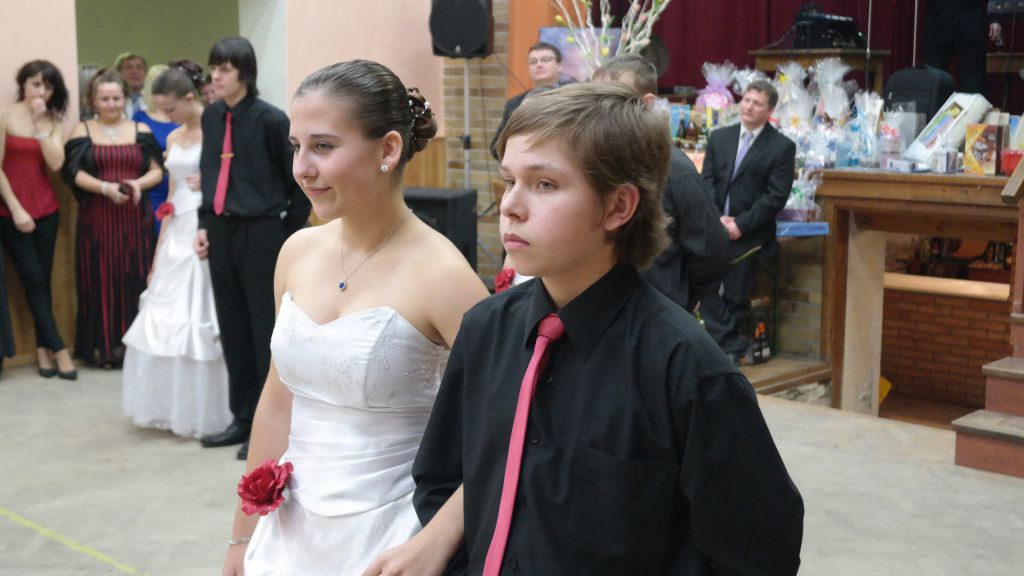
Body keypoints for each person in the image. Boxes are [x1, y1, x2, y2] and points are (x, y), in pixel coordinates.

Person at [411, 83, 804, 575]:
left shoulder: (686, 369)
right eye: (509, 180)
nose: (510, 205)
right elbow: (441, 477)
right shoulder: (486, 330)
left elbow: (759, 549)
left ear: (619, 207)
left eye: (545, 184)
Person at [219, 59, 487, 576]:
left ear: (388, 150)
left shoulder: (443, 275)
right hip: (290, 530)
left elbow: (507, 426)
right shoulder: (297, 251)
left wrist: (438, 537)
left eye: (323, 146)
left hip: (392, 532)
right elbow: (278, 400)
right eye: (296, 146)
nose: (302, 168)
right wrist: (242, 535)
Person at [195, 37, 311, 460]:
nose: (216, 76)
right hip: (221, 230)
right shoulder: (212, 117)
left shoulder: (271, 120)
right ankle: (241, 416)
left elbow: (297, 182)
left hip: (262, 231)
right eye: (214, 67)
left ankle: (267, 424)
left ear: (244, 72)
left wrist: (285, 231)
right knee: (232, 327)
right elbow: (210, 172)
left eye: (224, 68)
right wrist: (203, 223)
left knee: (265, 330)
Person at [122, 61, 232, 438]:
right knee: (165, 313)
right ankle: (171, 406)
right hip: (177, 228)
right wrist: (160, 246)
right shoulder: (172, 138)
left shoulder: (218, 132)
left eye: (170, 109)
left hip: (208, 225)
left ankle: (216, 409)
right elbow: (170, 193)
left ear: (189, 98)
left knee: (202, 313)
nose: (166, 117)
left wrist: (211, 182)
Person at [593, 54, 730, 312]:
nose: (602, 109)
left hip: (656, 310)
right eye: (596, 98)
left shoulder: (673, 169)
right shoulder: (591, 159)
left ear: (647, 104)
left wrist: (685, 296)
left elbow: (711, 249)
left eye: (615, 99)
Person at [63, 68, 163, 367]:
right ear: (93, 100)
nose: (111, 104)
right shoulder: (82, 131)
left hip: (135, 218)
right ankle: (103, 348)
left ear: (124, 99)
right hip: (97, 219)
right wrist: (104, 188)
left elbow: (157, 170)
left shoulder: (141, 130)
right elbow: (73, 173)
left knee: (135, 277)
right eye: (105, 99)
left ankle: (134, 350)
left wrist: (137, 184)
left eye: (116, 98)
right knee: (100, 279)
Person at [699, 79, 795, 365]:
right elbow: (707, 182)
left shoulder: (781, 147)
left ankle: (728, 353)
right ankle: (726, 342)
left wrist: (739, 225)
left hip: (751, 235)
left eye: (757, 103)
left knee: (735, 293)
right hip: (715, 227)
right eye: (747, 100)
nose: (749, 107)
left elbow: (775, 197)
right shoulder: (720, 137)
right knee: (698, 283)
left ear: (770, 111)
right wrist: (717, 219)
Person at [0, 60, 75, 379]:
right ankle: (59, 349)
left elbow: (56, 164)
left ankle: (43, 350)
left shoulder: (53, 122)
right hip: (11, 211)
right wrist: (16, 209)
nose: (40, 91)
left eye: (47, 86)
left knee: (42, 280)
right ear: (23, 85)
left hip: (47, 209)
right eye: (35, 84)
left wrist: (41, 124)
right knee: (33, 279)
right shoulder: (5, 115)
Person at [489, 41, 565, 159]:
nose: (539, 64)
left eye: (545, 60)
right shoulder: (514, 103)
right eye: (533, 62)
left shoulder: (574, 97)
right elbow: (496, 146)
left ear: (559, 65)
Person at [132, 64, 178, 237]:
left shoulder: (181, 116)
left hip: (180, 183)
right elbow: (136, 154)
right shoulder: (139, 118)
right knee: (154, 235)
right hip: (152, 186)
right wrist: (166, 155)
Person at [924, 0, 1002, 95]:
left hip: (972, 21)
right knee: (934, 81)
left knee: (974, 85)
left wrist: (995, 18)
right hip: (938, 21)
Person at [115, 52, 148, 119]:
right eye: (128, 67)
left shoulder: (153, 100)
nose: (135, 71)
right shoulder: (113, 101)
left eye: (139, 67)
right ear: (118, 73)